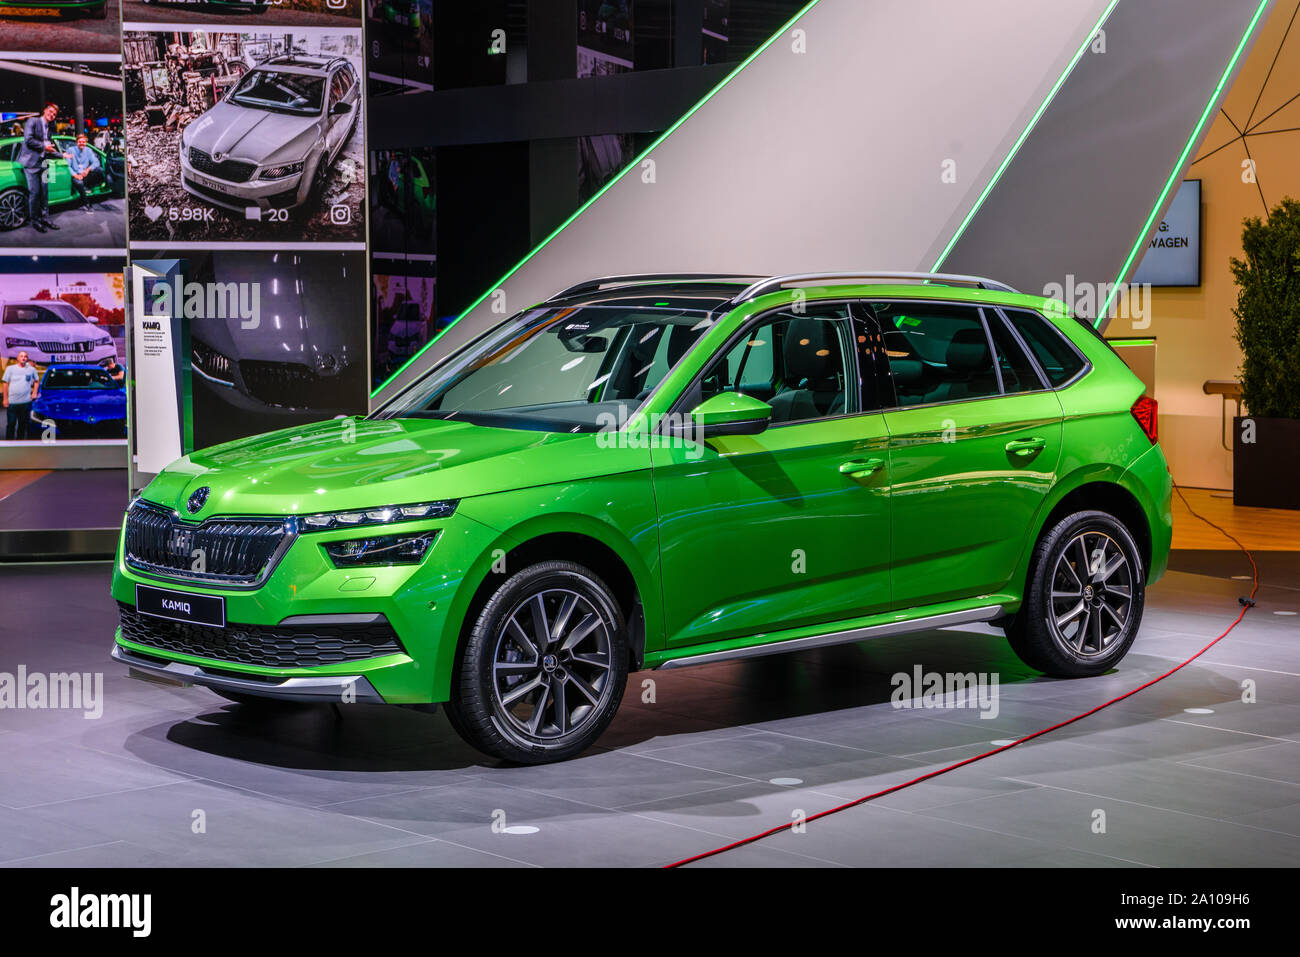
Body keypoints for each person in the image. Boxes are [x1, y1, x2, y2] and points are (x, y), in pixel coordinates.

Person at [17, 103, 61, 234]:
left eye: (54, 114)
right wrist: (44, 146)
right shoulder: (33, 121)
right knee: (35, 193)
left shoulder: (50, 127)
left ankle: (45, 218)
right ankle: (35, 220)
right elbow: (28, 139)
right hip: (31, 163)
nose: (52, 115)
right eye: (51, 111)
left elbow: (49, 147)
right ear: (45, 110)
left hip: (44, 163)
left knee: (44, 193)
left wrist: (61, 155)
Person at [3, 352, 41, 441]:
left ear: (27, 359)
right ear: (18, 358)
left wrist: (34, 392)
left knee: (22, 425)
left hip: (25, 402)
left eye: (25, 356)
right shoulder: (10, 369)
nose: (23, 358)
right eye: (21, 356)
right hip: (12, 403)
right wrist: (5, 399)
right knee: (11, 425)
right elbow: (5, 383)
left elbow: (36, 381)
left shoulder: (31, 370)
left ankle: (20, 444)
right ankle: (9, 445)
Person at [62, 133, 103, 212]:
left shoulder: (88, 150)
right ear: (76, 142)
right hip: (75, 175)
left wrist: (88, 170)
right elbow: (68, 166)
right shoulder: (71, 150)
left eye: (83, 142)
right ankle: (86, 203)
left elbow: (96, 162)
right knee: (79, 183)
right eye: (80, 142)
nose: (82, 143)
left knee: (99, 170)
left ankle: (87, 187)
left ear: (86, 142)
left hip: (85, 174)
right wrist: (75, 175)